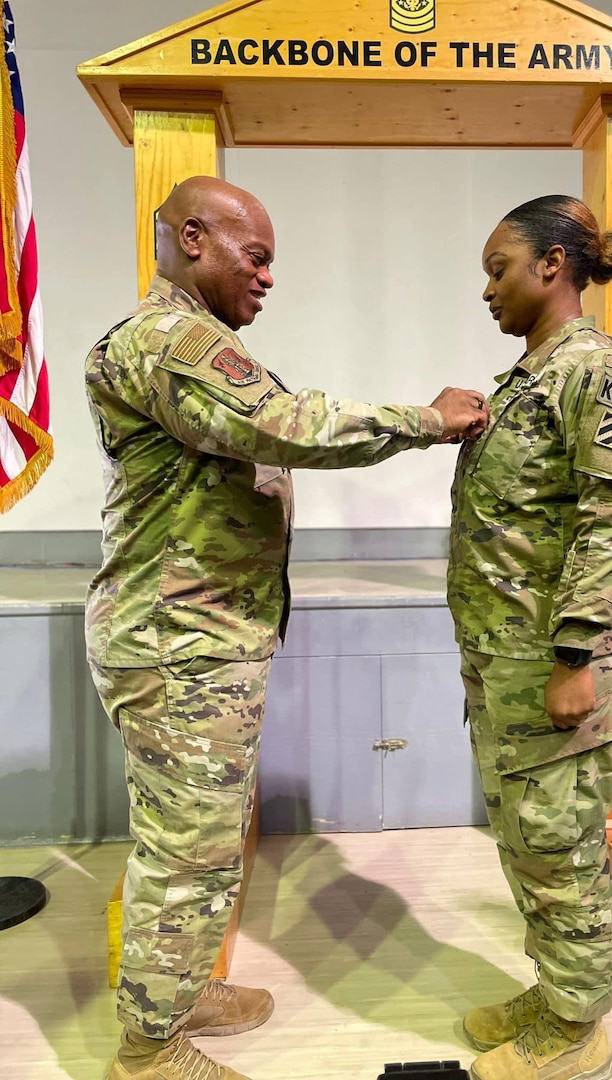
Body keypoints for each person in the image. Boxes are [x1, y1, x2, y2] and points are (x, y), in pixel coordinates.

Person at [85, 175, 490, 1080]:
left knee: (207, 835)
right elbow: (285, 424)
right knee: (185, 850)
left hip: (203, 634)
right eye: (255, 257)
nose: (267, 278)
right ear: (194, 238)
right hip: (177, 639)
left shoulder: (193, 339)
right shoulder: (174, 340)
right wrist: (423, 420)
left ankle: (179, 988)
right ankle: (148, 1050)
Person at [447, 194, 612, 1080]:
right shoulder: (530, 374)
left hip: (553, 665)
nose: (487, 290)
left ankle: (576, 1031)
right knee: (528, 842)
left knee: (562, 849)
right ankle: (555, 988)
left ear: (552, 267)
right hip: (507, 659)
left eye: (499, 270)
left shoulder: (594, 370)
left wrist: (573, 656)